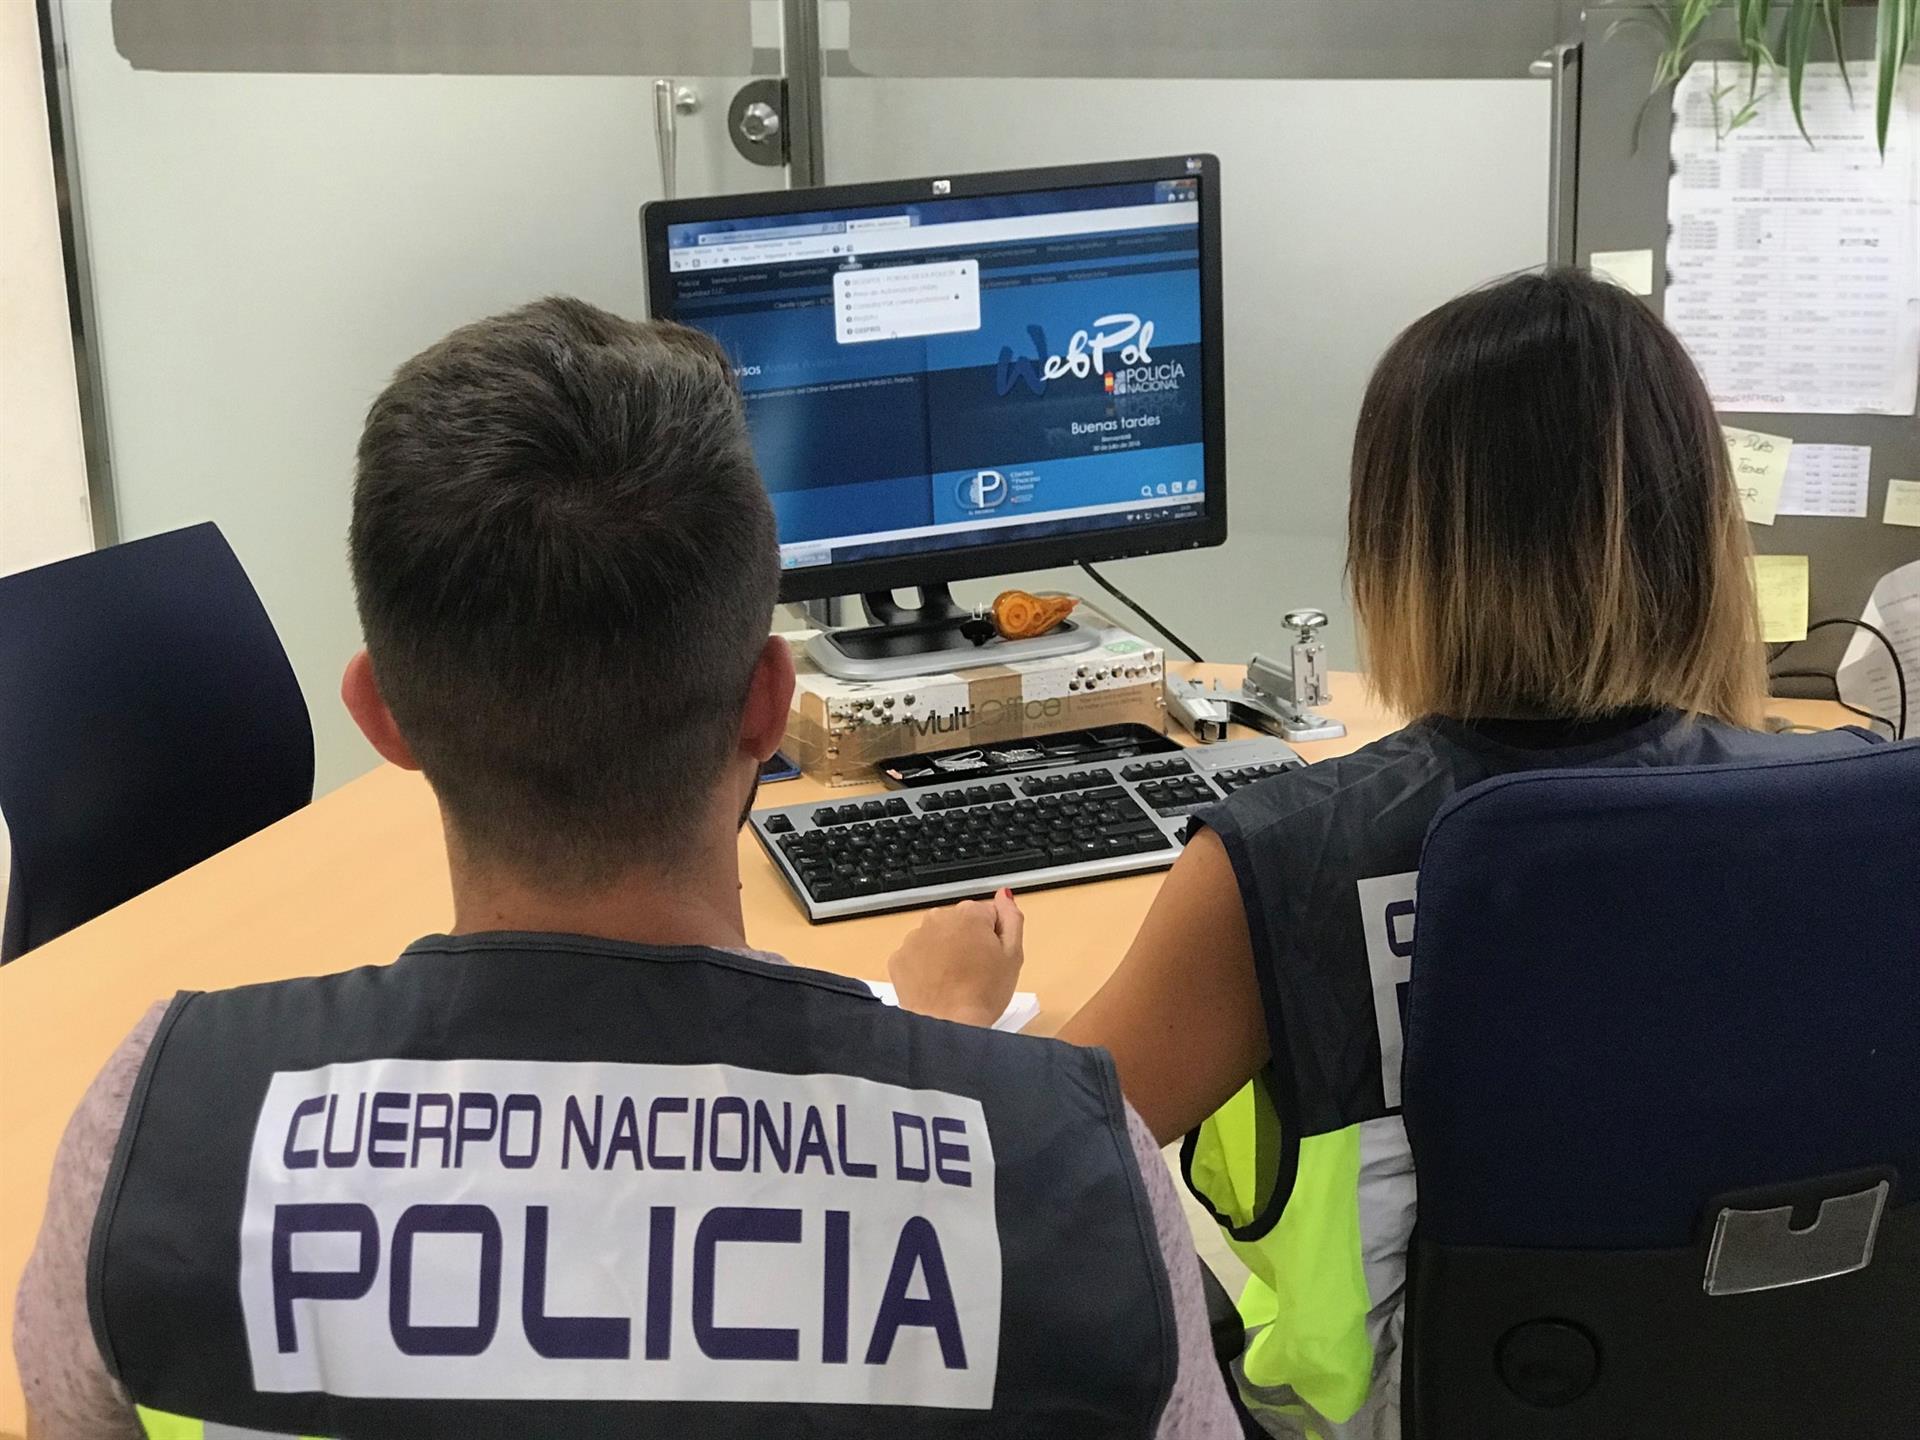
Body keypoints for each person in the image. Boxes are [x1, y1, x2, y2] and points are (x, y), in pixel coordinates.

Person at [12, 298, 1238, 1439]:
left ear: (383, 718)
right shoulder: (1068, 1166)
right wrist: (945, 1051)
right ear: (769, 703)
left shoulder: (153, 1135)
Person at [890, 269, 1883, 1438]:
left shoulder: (1290, 863)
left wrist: (951, 1017)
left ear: (1403, 553)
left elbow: (998, 1176)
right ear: (1700, 530)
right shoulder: (1852, 827)